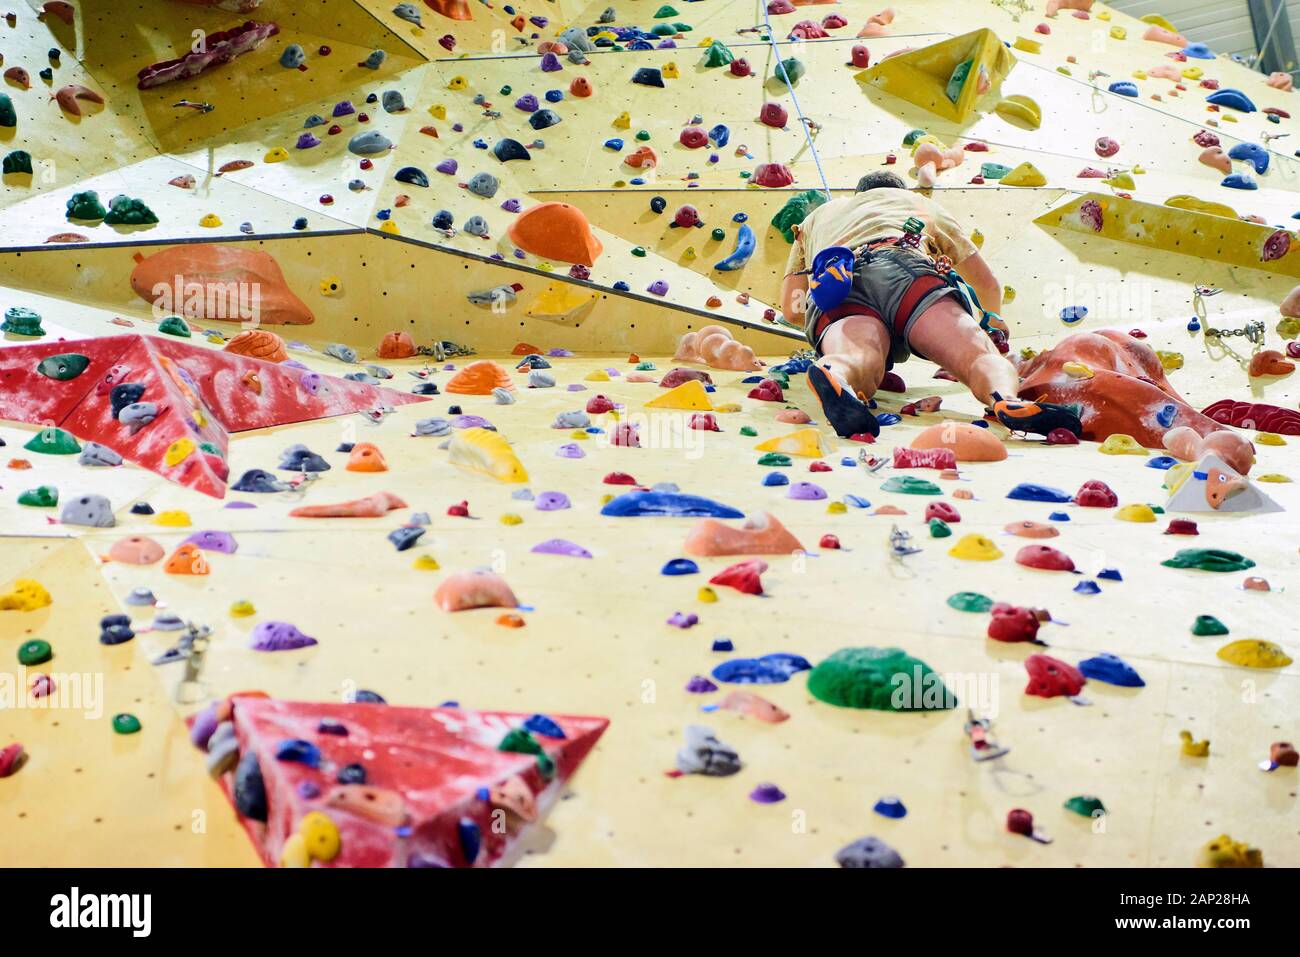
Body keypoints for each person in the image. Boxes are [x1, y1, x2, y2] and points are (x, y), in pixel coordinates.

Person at [780, 172, 1079, 438]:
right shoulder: (917, 204)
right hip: (904, 270)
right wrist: (993, 322)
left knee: (857, 357)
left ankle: (837, 371)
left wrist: (831, 323)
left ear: (859, 193)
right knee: (976, 357)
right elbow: (986, 284)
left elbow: (792, 309)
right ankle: (1006, 400)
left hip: (837, 283)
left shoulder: (817, 216)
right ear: (901, 190)